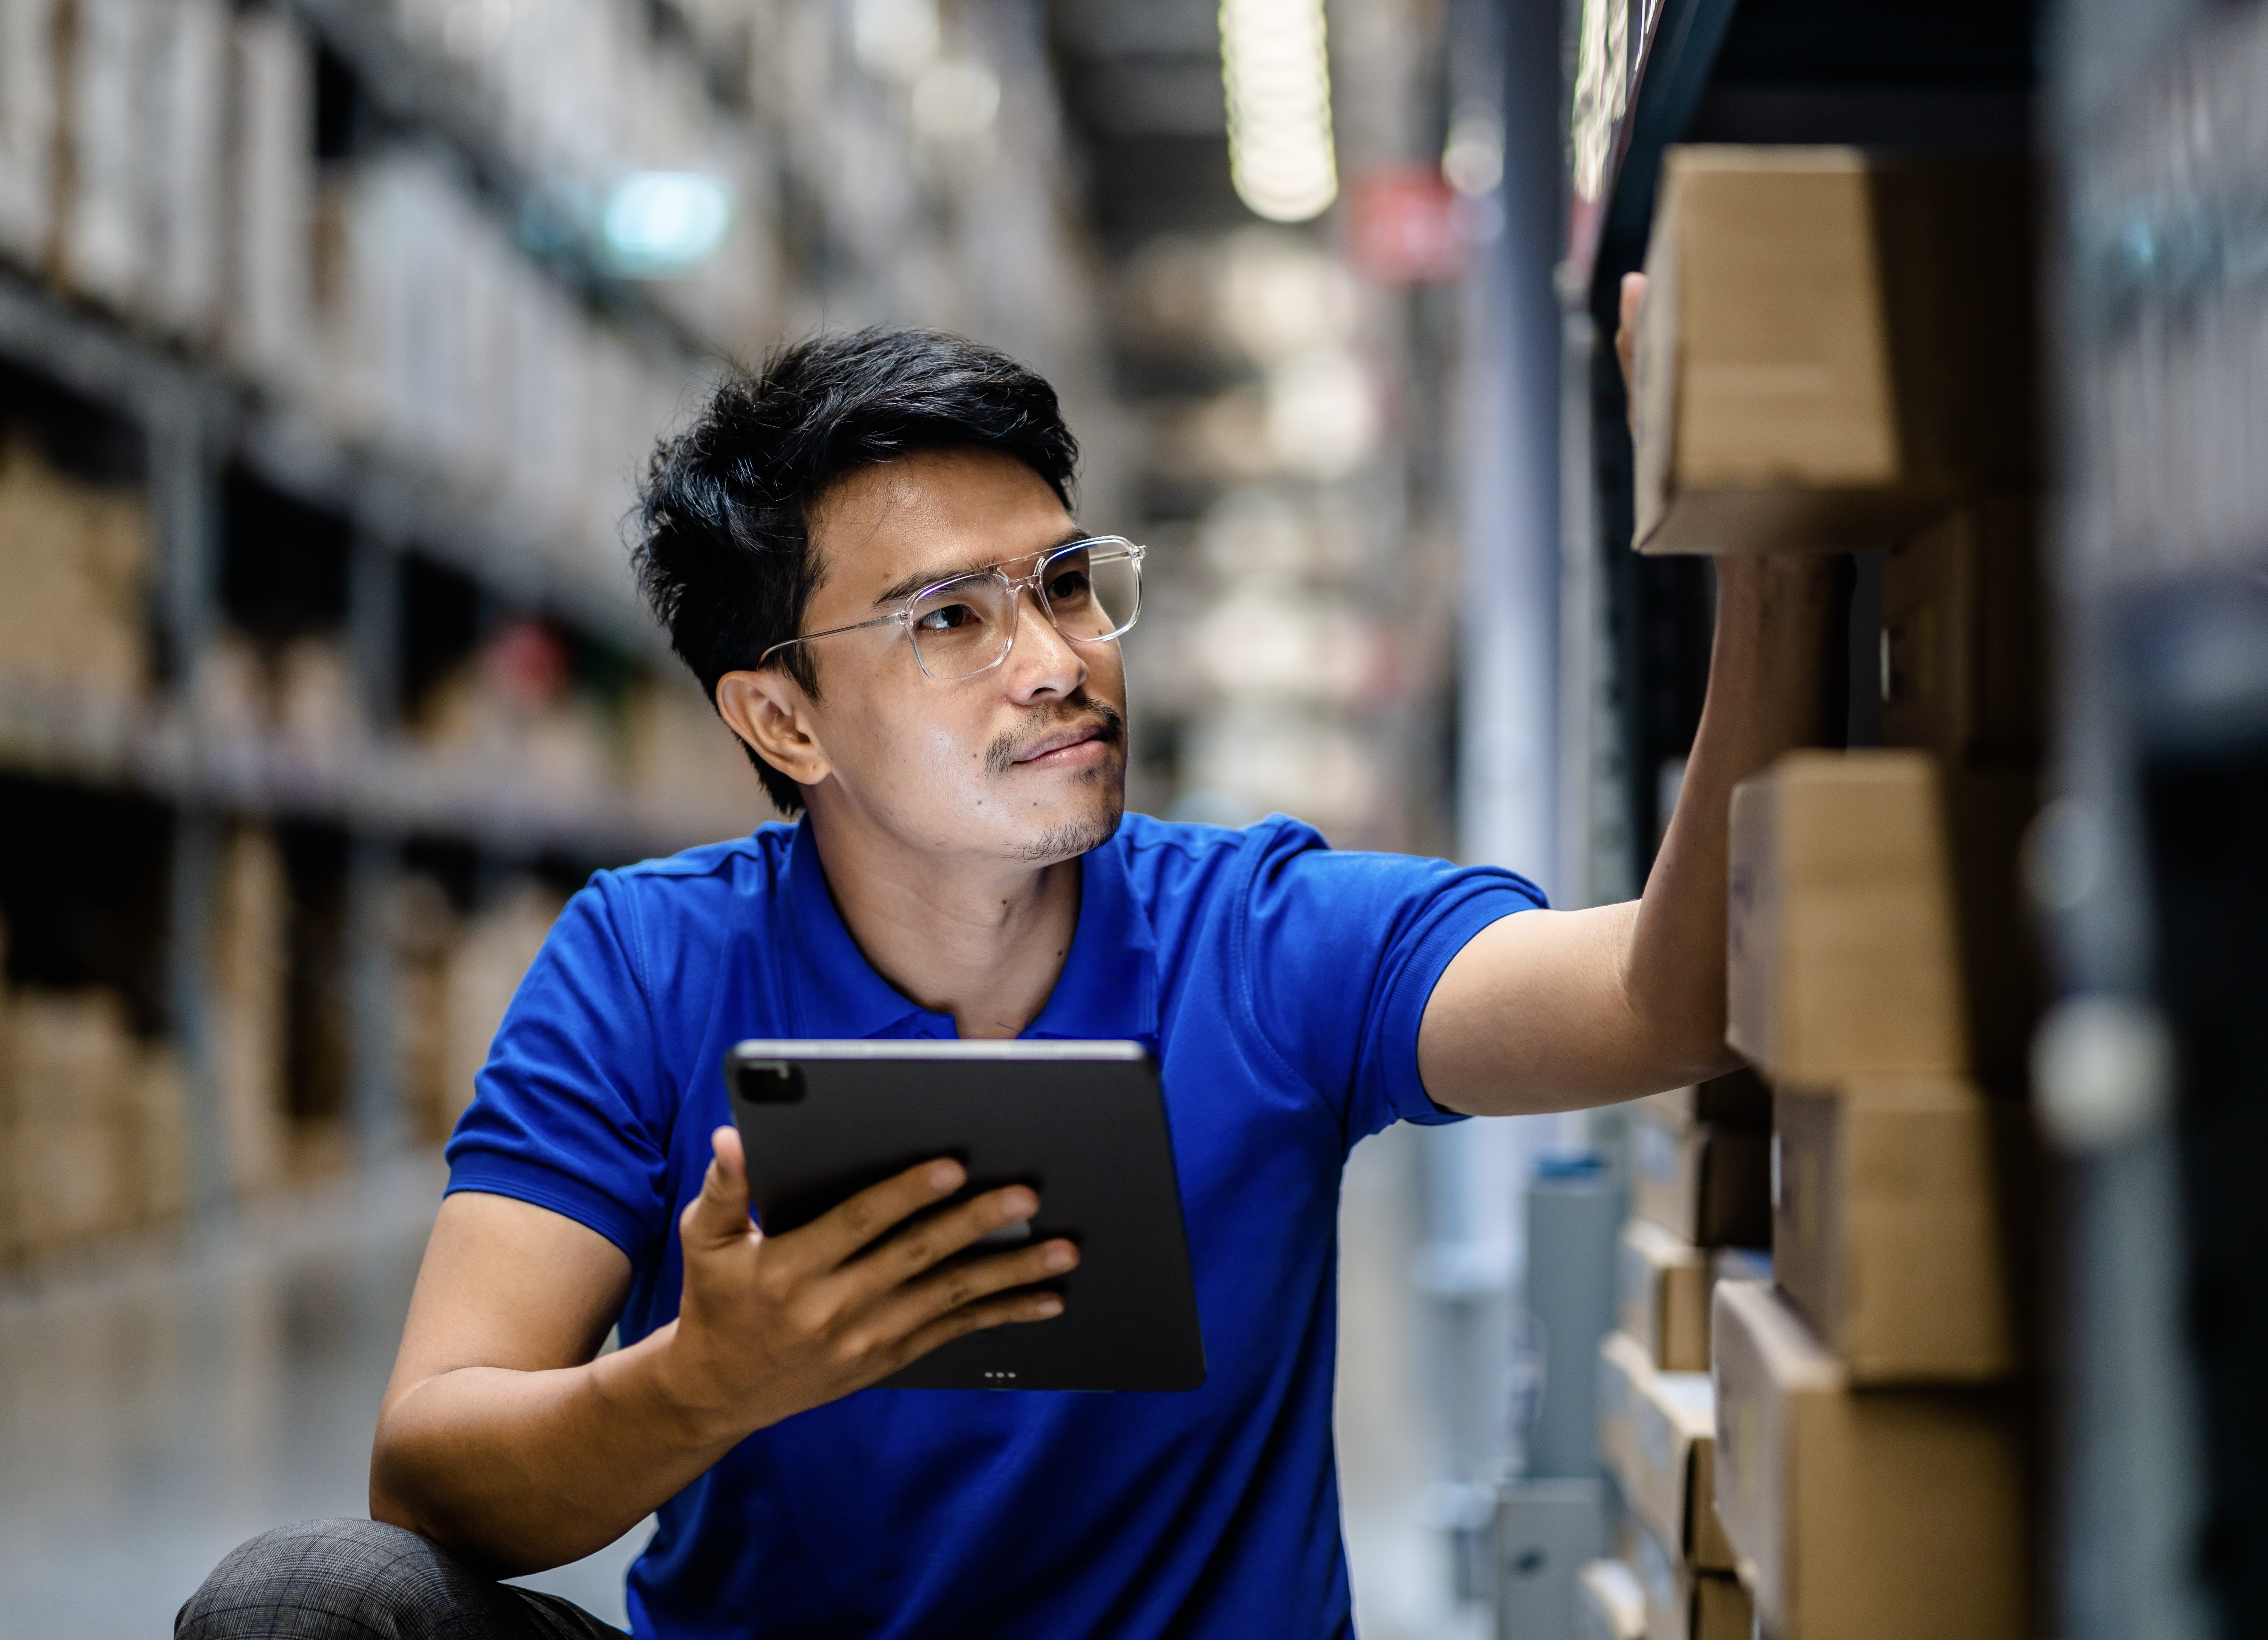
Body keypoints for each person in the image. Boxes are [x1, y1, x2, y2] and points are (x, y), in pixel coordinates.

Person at [180, 300, 1832, 1639]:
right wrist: (702, 1381)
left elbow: (1670, 998)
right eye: (948, 620)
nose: (1056, 661)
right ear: (782, 718)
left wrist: (1760, 560)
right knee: (308, 1609)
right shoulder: (648, 960)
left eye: (1062, 584)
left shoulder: (1262, 937)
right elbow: (433, 1466)